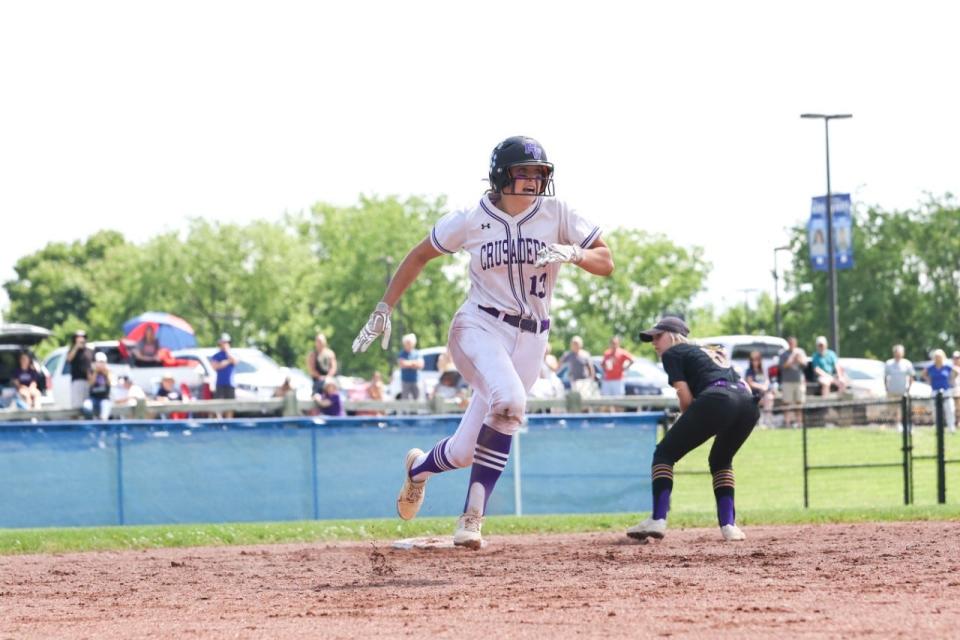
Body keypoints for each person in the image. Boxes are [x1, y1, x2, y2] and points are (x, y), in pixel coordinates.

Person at [352, 135, 613, 549]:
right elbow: (419, 254)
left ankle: (418, 468)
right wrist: (384, 308)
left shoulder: (559, 213)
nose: (532, 181)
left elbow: (606, 261)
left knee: (465, 451)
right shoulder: (472, 217)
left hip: (532, 340)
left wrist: (574, 254)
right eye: (522, 172)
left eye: (539, 173)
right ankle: (472, 518)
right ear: (500, 174)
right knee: (509, 402)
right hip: (478, 327)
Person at [627, 316, 758, 543]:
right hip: (748, 404)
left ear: (674, 336)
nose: (654, 342)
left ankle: (658, 519)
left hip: (718, 398)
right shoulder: (708, 350)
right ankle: (729, 526)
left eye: (658, 336)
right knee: (720, 460)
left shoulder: (674, 353)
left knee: (664, 454)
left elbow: (685, 398)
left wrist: (685, 421)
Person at [923, 350, 956, 433]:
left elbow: (956, 372)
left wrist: (952, 381)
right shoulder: (931, 367)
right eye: (936, 357)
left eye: (939, 357)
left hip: (946, 391)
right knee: (935, 410)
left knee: (949, 409)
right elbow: (924, 374)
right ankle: (938, 428)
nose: (938, 358)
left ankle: (951, 427)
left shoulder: (947, 366)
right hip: (935, 391)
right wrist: (928, 381)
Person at [210, 333, 238, 418]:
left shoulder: (232, 354)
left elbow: (235, 361)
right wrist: (227, 362)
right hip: (220, 383)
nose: (224, 344)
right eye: (223, 342)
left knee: (230, 405)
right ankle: (220, 421)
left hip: (230, 383)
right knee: (219, 404)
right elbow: (215, 366)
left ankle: (229, 421)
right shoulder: (216, 356)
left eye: (226, 342)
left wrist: (228, 353)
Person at [66, 330, 93, 410]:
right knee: (77, 406)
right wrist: (76, 347)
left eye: (83, 337)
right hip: (77, 380)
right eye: (78, 337)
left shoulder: (89, 351)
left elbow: (93, 365)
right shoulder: (72, 350)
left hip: (89, 381)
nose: (81, 339)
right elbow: (69, 359)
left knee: (88, 406)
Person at [83, 352, 113, 420]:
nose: (101, 364)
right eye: (99, 362)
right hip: (93, 398)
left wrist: (106, 374)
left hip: (105, 399)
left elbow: (110, 383)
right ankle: (90, 425)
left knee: (104, 416)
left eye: (102, 362)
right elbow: (91, 383)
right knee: (87, 407)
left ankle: (102, 427)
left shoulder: (108, 371)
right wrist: (96, 372)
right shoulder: (91, 371)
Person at [397, 334, 424, 400]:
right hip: (405, 380)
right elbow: (402, 364)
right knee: (405, 400)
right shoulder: (401, 353)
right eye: (407, 343)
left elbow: (421, 365)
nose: (408, 344)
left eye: (410, 343)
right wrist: (414, 363)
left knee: (417, 399)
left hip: (416, 380)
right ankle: (405, 411)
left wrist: (408, 363)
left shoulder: (417, 353)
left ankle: (415, 411)